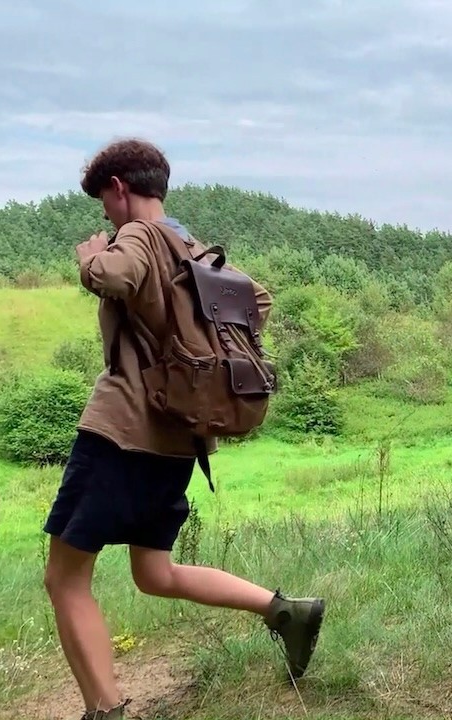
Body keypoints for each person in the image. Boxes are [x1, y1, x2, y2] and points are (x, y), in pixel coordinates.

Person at [41, 138, 325, 720]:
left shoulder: (139, 236)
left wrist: (92, 255)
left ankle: (107, 709)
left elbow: (114, 275)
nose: (106, 217)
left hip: (120, 432)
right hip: (178, 436)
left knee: (65, 578)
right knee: (154, 572)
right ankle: (284, 611)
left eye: (105, 205)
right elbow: (258, 300)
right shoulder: (195, 249)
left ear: (120, 188)